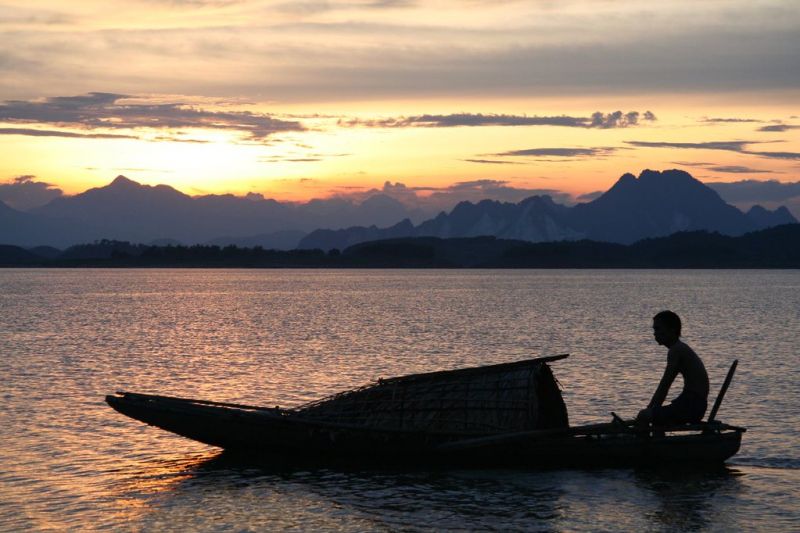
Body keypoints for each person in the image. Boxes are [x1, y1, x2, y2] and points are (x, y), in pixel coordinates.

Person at [636, 311, 709, 426]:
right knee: (655, 416)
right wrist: (654, 409)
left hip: (691, 405)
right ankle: (657, 443)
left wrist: (649, 410)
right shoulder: (679, 348)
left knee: (643, 415)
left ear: (672, 330)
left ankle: (644, 443)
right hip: (695, 405)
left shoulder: (676, 350)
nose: (655, 334)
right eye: (654, 330)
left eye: (658, 329)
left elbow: (665, 384)